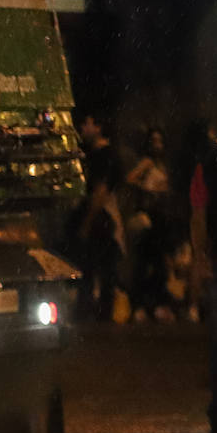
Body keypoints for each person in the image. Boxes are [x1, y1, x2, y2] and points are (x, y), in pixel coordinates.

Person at [190, 108, 217, 433]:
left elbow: (199, 215)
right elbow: (199, 215)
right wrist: (200, 258)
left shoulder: (209, 165)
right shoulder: (210, 166)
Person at [72, 114, 124, 322]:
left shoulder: (105, 156)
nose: (83, 128)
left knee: (96, 266)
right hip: (100, 218)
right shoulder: (96, 154)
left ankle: (97, 314)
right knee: (100, 269)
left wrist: (87, 222)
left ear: (99, 126)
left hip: (101, 219)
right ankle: (100, 313)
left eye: (87, 123)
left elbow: (101, 191)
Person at [124, 127, 176, 322]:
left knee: (159, 262)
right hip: (149, 216)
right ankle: (140, 304)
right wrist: (146, 188)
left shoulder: (162, 164)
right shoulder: (147, 162)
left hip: (161, 216)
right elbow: (130, 179)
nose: (157, 145)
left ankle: (155, 303)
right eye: (154, 141)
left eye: (159, 141)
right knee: (144, 261)